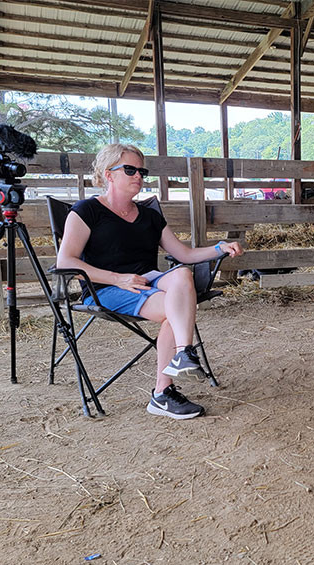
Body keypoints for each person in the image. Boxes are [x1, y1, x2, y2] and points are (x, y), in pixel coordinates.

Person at [57, 143, 243, 420]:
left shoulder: (150, 216)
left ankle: (184, 354)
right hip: (106, 289)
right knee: (175, 311)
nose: (138, 176)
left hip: (149, 282)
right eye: (130, 169)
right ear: (109, 174)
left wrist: (220, 248)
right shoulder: (87, 211)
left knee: (181, 273)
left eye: (141, 171)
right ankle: (163, 392)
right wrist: (117, 278)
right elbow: (66, 263)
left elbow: (184, 254)